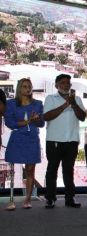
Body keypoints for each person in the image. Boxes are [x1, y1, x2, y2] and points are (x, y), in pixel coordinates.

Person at [43, 74, 86, 209]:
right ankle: (50, 198)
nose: (66, 85)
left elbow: (82, 117)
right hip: (54, 141)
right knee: (52, 170)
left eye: (68, 83)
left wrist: (73, 104)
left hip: (72, 141)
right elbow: (46, 116)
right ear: (56, 85)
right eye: (62, 83)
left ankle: (70, 198)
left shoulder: (77, 99)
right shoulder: (50, 98)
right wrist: (65, 105)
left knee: (68, 171)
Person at [4, 78, 44, 210]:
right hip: (17, 138)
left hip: (32, 139)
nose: (27, 89)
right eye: (24, 86)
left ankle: (27, 200)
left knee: (30, 170)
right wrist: (27, 122)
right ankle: (11, 199)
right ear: (19, 88)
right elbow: (9, 123)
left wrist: (36, 120)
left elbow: (41, 124)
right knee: (11, 170)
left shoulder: (38, 104)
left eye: (29, 86)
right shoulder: (11, 104)